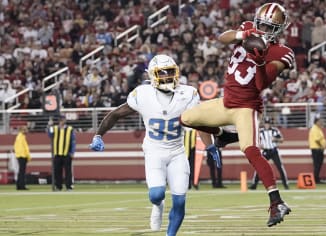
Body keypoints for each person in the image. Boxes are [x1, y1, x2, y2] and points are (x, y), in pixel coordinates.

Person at [180, 2, 293, 227]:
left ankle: (276, 201)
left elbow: (261, 84)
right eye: (261, 25)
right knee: (187, 118)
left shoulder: (283, 53)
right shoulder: (249, 28)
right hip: (226, 102)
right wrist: (245, 33)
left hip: (246, 107)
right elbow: (223, 37)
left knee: (250, 151)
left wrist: (261, 61)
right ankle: (227, 135)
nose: (263, 30)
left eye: (269, 28)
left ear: (279, 30)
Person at [89, 55, 219, 236]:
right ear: (152, 75)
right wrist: (98, 135)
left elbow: (199, 122)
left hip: (177, 151)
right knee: (156, 195)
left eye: (170, 72)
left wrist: (209, 146)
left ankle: (170, 234)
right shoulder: (143, 94)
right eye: (162, 73)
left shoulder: (188, 93)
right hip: (154, 151)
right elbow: (116, 114)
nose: (167, 77)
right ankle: (158, 207)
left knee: (180, 201)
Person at [249, 117, 289, 190]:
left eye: (268, 123)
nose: (267, 125)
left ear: (270, 124)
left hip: (274, 151)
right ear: (264, 124)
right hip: (265, 151)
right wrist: (259, 145)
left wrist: (276, 139)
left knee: (280, 167)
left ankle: (285, 184)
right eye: (266, 123)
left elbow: (282, 140)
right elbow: (255, 140)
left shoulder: (275, 130)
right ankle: (254, 184)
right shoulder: (260, 131)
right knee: (259, 167)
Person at [47, 115, 76, 191]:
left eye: (63, 120)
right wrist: (49, 125)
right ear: (59, 121)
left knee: (68, 171)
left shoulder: (70, 129)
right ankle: (58, 186)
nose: (62, 121)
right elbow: (50, 134)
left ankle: (68, 186)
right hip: (57, 153)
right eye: (61, 120)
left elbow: (73, 141)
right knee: (57, 171)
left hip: (67, 153)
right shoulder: (55, 128)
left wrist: (72, 152)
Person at [309, 117, 326, 184]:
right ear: (316, 122)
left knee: (318, 165)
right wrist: (322, 146)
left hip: (318, 149)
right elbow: (317, 140)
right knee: (317, 165)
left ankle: (317, 178)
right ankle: (315, 179)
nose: (321, 122)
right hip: (317, 149)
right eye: (320, 121)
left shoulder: (318, 128)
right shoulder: (314, 129)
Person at [14, 126, 31, 190]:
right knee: (22, 172)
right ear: (22, 130)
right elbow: (24, 148)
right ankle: (22, 186)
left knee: (21, 171)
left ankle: (19, 185)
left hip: (20, 156)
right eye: (26, 130)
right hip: (22, 156)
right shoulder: (21, 137)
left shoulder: (20, 137)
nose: (27, 131)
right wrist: (27, 156)